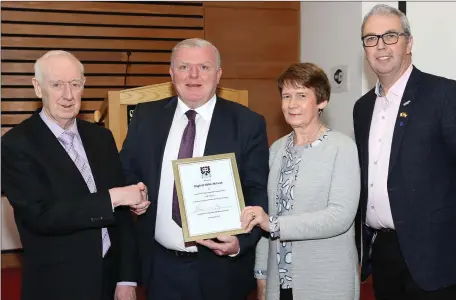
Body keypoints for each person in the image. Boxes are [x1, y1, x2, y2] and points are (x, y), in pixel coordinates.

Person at [119, 38, 269, 300]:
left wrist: (240, 243)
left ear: (219, 75)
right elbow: (126, 173)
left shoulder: (247, 123)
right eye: (184, 66)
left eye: (204, 67)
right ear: (171, 73)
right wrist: (134, 194)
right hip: (160, 268)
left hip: (222, 270)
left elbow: (256, 191)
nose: (193, 75)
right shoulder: (146, 117)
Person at [1, 50, 151, 300]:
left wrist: (126, 278)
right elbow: (41, 216)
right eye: (57, 85)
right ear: (38, 88)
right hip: (57, 286)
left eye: (75, 84)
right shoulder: (16, 145)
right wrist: (112, 198)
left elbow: (122, 219)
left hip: (111, 280)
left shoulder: (101, 138)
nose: (68, 95)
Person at [354, 4, 456, 300]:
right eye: (371, 39)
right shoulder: (362, 108)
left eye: (390, 36)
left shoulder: (444, 96)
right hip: (384, 253)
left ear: (409, 43)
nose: (380, 46)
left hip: (436, 259)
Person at [241, 62, 360, 300]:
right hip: (281, 281)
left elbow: (339, 216)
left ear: (322, 102)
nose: (291, 104)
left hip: (326, 280)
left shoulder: (341, 147)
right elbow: (266, 213)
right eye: (286, 96)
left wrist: (274, 224)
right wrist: (261, 273)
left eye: (301, 95)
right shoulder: (276, 149)